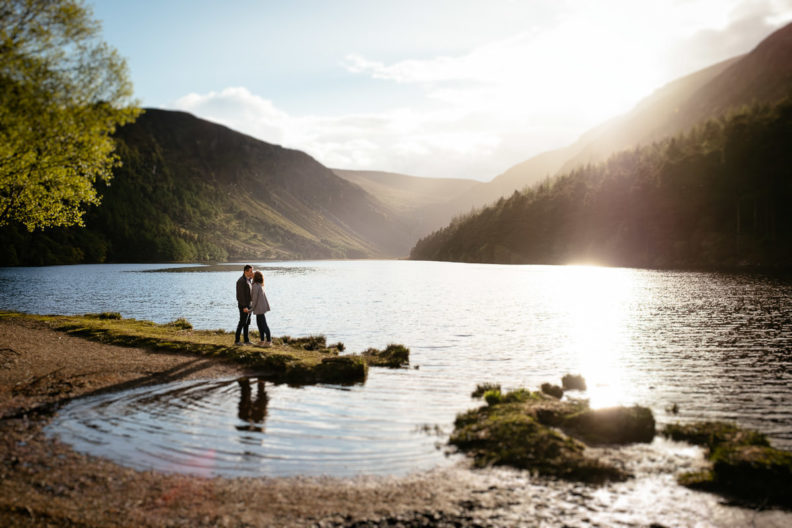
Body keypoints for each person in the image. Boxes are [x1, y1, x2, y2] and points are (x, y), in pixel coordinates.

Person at [250, 270, 272, 346]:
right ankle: (262, 340)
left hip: (259, 308)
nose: (252, 275)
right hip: (261, 308)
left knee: (263, 325)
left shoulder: (255, 286)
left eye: (253, 274)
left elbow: (254, 299)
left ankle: (269, 341)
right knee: (260, 324)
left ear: (255, 277)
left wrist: (251, 309)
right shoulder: (259, 285)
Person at [234, 265, 254, 345]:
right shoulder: (241, 281)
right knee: (242, 322)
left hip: (249, 305)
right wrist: (245, 306)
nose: (252, 272)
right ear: (246, 271)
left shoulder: (249, 280)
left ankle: (246, 340)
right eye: (251, 271)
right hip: (243, 305)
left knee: (247, 322)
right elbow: (240, 296)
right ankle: (237, 341)